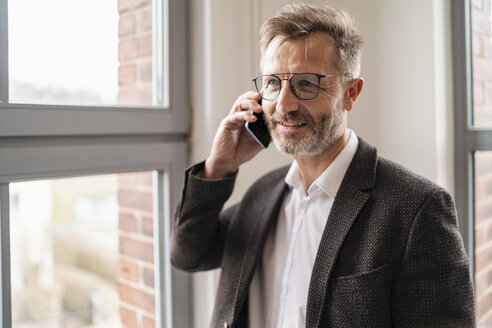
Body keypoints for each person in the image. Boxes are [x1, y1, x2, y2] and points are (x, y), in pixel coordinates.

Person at [171, 4, 476, 328]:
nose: (285, 105)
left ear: (350, 93)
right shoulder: (262, 195)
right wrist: (219, 167)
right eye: (273, 83)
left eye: (306, 83)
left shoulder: (416, 208)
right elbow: (188, 255)